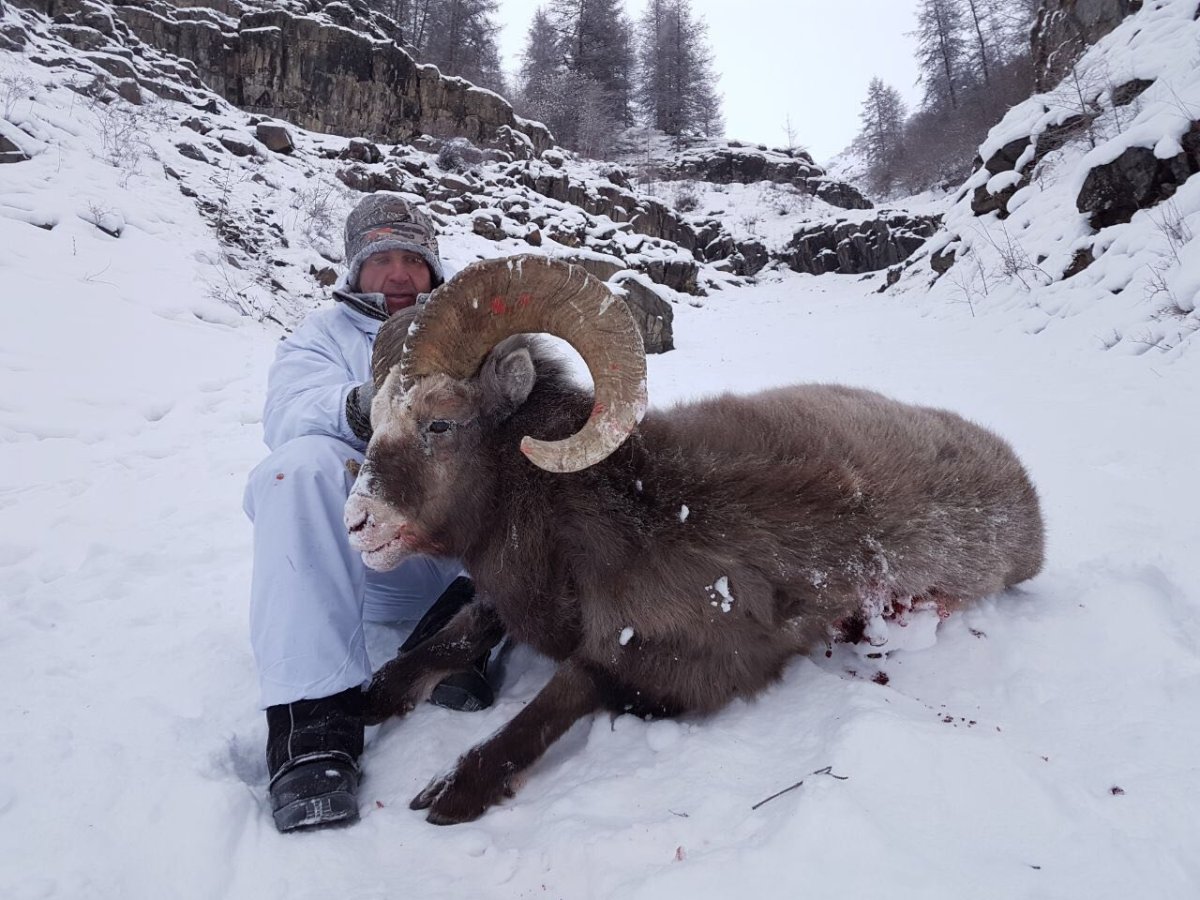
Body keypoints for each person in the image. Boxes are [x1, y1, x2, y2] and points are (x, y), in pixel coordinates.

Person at [243, 193, 494, 833]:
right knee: (295, 468)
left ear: (435, 269)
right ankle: (314, 731)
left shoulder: (482, 328)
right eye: (381, 258)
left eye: (413, 257)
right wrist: (362, 407)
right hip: (376, 558)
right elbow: (286, 415)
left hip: (473, 563)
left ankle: (458, 636)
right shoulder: (320, 337)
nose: (399, 273)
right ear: (355, 271)